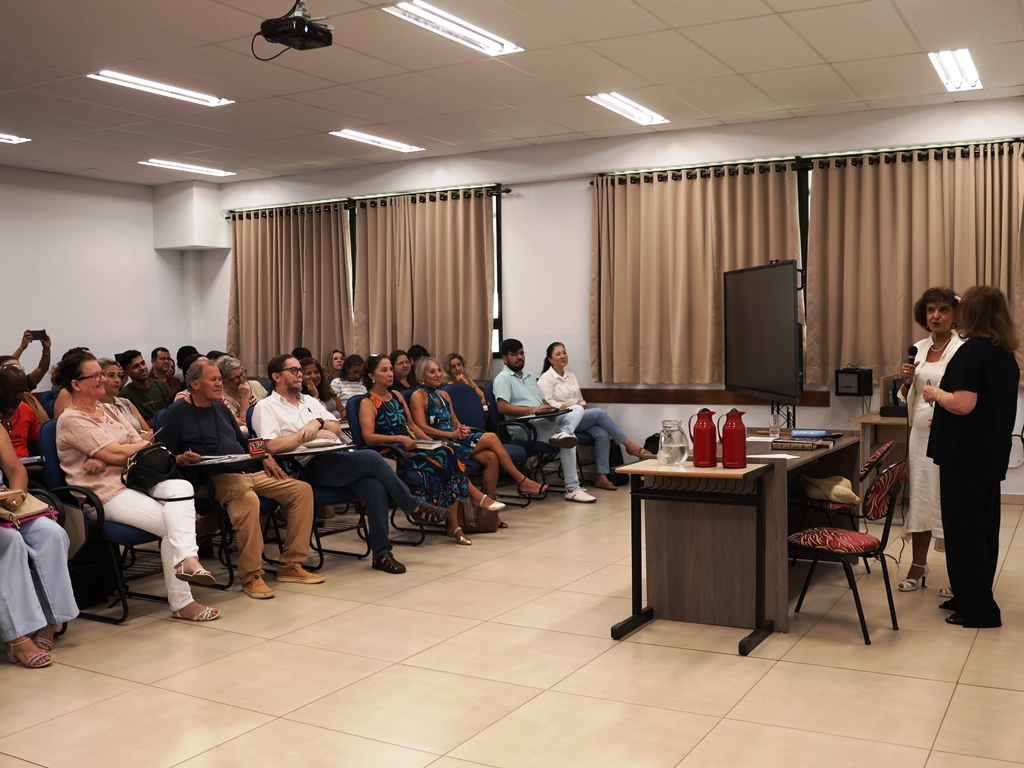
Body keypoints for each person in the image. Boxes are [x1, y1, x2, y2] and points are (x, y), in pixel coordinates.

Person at [55, 353, 220, 622]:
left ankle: (188, 560)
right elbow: (118, 453)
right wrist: (112, 453)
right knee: (171, 524)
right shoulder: (71, 419)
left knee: (181, 486)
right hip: (104, 494)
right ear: (76, 383)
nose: (104, 379)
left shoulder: (109, 409)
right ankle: (183, 600)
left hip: (137, 481)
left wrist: (112, 453)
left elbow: (146, 443)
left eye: (102, 373)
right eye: (96, 375)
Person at [253, 354, 448, 574]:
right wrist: (302, 435)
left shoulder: (309, 401)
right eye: (294, 371)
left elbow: (335, 427)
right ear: (276, 376)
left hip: (335, 456)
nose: (301, 375)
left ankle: (382, 554)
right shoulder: (266, 407)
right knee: (372, 458)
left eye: (300, 370)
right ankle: (412, 505)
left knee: (373, 486)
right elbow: (270, 446)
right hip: (306, 466)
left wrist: (316, 422)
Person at [161, 359, 321, 599]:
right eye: (213, 379)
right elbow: (164, 454)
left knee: (301, 490)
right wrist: (181, 458)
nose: (219, 384)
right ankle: (251, 576)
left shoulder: (221, 408)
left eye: (219, 379)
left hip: (245, 470)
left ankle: (290, 565)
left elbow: (245, 441)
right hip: (213, 478)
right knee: (248, 500)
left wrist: (264, 454)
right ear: (194, 383)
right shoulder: (177, 413)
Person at [924, 285, 1020, 629]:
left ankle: (979, 609)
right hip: (987, 456)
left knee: (964, 532)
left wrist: (937, 394)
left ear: (973, 313)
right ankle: (969, 594)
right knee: (982, 529)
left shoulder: (972, 351)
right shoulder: (1003, 353)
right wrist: (948, 413)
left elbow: (964, 403)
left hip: (964, 459)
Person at [359, 354, 485, 544]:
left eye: (390, 369)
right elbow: (368, 437)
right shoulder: (367, 402)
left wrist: (429, 442)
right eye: (384, 370)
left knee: (447, 450)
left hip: (412, 446)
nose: (390, 374)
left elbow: (412, 425)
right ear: (371, 376)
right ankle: (466, 507)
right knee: (445, 459)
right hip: (391, 452)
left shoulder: (397, 395)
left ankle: (454, 523)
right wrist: (398, 438)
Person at [410, 356, 548, 523]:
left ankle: (489, 516)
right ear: (422, 376)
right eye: (432, 372)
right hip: (441, 444)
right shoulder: (418, 395)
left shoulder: (444, 394)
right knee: (491, 437)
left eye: (439, 370)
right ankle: (522, 480)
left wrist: (461, 429)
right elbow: (422, 428)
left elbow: (454, 421)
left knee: (491, 457)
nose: (438, 374)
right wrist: (452, 435)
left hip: (456, 438)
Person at [896, 288, 962, 592]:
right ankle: (917, 566)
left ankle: (958, 574)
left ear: (954, 314)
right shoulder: (918, 348)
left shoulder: (963, 348)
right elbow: (908, 397)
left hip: (950, 438)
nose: (936, 316)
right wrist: (907, 380)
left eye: (943, 310)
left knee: (949, 501)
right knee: (921, 497)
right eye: (931, 310)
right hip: (920, 437)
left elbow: (965, 394)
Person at [0, 427, 78, 668]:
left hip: (4, 506)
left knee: (52, 533)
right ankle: (17, 637)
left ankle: (49, 621)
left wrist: (17, 494)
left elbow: (16, 469)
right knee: (9, 542)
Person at [493, 338, 596, 504]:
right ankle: (572, 488)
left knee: (576, 410)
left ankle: (564, 433)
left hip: (542, 422)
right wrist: (532, 410)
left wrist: (552, 411)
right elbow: (502, 408)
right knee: (568, 441)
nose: (520, 357)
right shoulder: (503, 378)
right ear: (505, 358)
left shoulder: (529, 377)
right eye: (514, 355)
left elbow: (544, 403)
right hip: (524, 427)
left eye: (521, 353)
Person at [538, 342, 653, 491]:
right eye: (558, 354)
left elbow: (580, 398)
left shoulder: (571, 376)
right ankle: (630, 445)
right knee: (599, 413)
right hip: (562, 419)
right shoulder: (546, 378)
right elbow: (548, 403)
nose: (562, 356)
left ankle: (602, 477)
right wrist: (569, 407)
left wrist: (582, 404)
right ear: (550, 359)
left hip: (579, 415)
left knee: (602, 433)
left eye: (564, 353)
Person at [96, 358, 151, 438]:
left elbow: (148, 431)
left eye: (119, 376)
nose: (117, 380)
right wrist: (139, 439)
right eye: (111, 375)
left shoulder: (125, 402)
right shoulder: (94, 408)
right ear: (99, 378)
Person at [0, 363, 41, 458]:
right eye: (16, 392)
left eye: (23, 392)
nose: (20, 397)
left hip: (26, 466)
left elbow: (40, 447)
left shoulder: (25, 409)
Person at [117, 349, 170, 422]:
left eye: (143, 363)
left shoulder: (162, 386)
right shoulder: (124, 396)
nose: (142, 368)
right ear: (126, 372)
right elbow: (133, 425)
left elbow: (173, 412)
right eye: (136, 366)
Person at [218, 356, 268, 430]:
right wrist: (244, 398)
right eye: (236, 378)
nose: (242, 380)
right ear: (224, 381)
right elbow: (244, 425)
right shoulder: (223, 399)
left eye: (242, 374)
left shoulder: (255, 385)